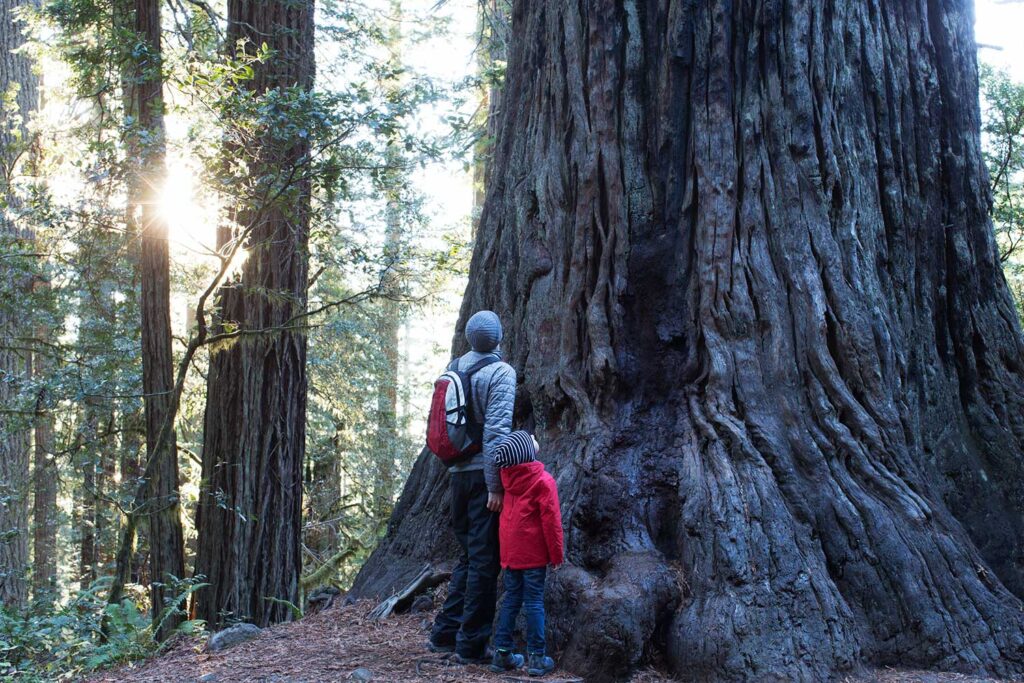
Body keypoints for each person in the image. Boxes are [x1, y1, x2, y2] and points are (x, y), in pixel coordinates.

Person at [428, 310, 516, 663]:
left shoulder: (454, 367)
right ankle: (471, 645)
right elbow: (497, 433)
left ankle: (444, 633)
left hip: (456, 475)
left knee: (468, 556)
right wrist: (496, 485)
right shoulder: (501, 373)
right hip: (483, 477)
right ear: (498, 339)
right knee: (484, 561)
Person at [489, 431, 563, 677]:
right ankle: (537, 658)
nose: (533, 438)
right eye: (529, 440)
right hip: (533, 556)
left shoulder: (507, 479)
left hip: (510, 554)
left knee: (511, 600)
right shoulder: (542, 480)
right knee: (533, 603)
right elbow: (551, 521)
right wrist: (556, 555)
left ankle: (501, 654)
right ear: (526, 453)